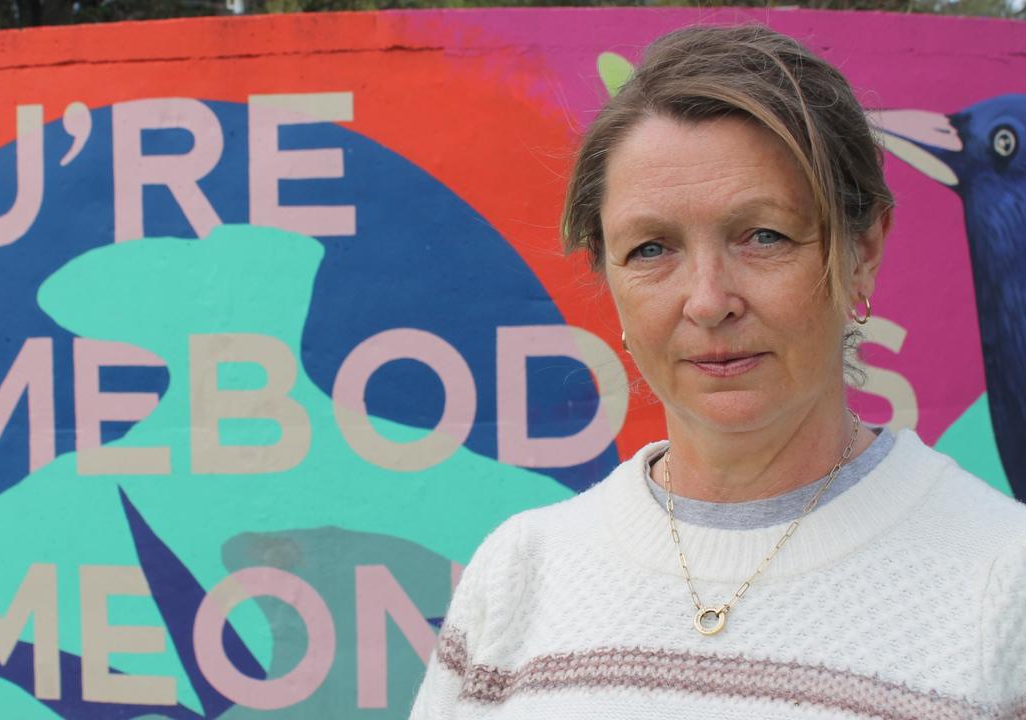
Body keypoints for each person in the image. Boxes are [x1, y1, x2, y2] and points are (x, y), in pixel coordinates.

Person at [409, 24, 1026, 719]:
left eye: (763, 235)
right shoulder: (520, 573)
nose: (707, 302)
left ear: (864, 252)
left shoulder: (1004, 587)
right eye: (650, 249)